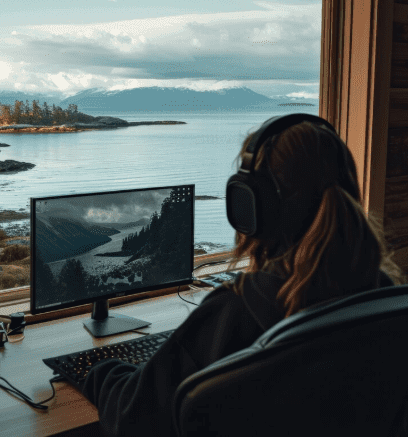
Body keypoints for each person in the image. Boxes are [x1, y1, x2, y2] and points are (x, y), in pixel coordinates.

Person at [81, 115, 406, 437]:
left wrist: (101, 370)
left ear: (252, 206)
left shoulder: (235, 312)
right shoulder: (385, 297)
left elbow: (132, 419)